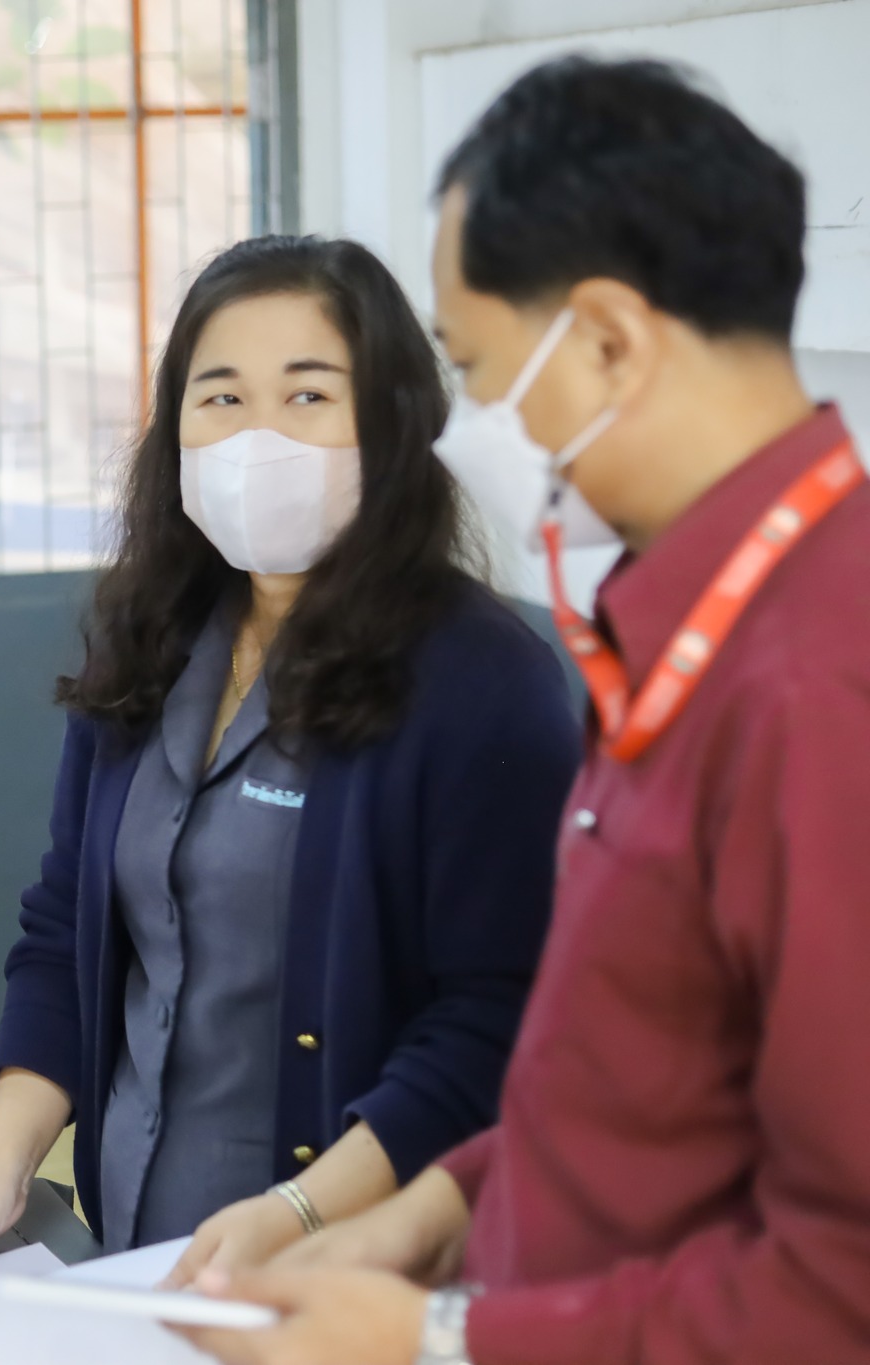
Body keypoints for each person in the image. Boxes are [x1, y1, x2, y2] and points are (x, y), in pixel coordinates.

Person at [175, 56, 870, 1365]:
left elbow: (843, 1281)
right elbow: (631, 1094)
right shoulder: (685, 626)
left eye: (482, 370)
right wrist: (434, 1212)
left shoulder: (817, 686)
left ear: (609, 338)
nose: (467, 425)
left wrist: (440, 1340)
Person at [0, 236, 580, 1278]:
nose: (256, 436)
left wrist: (300, 1211)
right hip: (126, 1253)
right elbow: (64, 935)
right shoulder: (147, 638)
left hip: (351, 1272)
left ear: (391, 423)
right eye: (218, 398)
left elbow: (493, 1021)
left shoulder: (484, 685)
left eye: (307, 397)